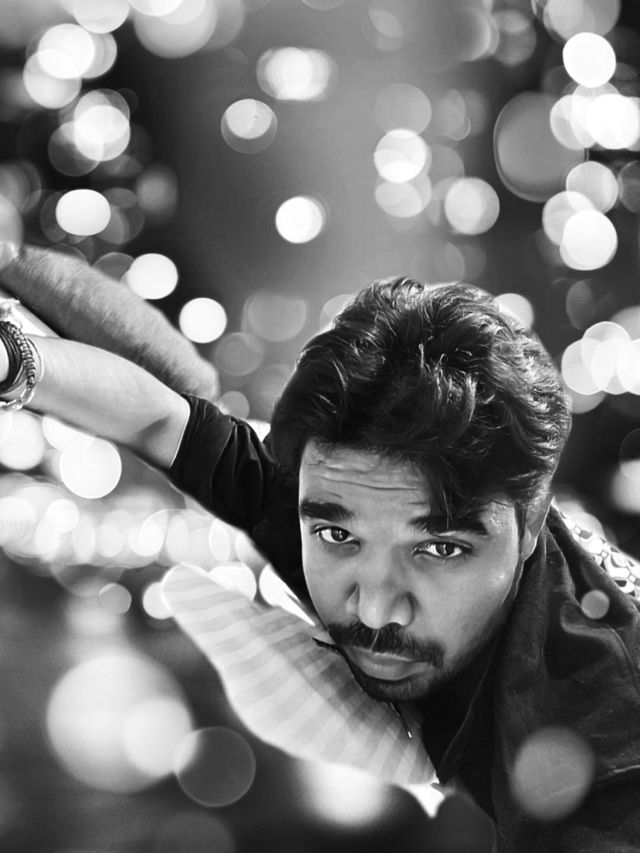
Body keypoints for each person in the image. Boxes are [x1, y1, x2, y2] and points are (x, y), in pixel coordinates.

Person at [1, 244, 640, 851]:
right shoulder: (348, 487)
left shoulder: (605, 745)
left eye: (440, 549)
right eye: (337, 538)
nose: (374, 609)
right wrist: (12, 359)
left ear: (530, 525)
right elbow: (161, 418)